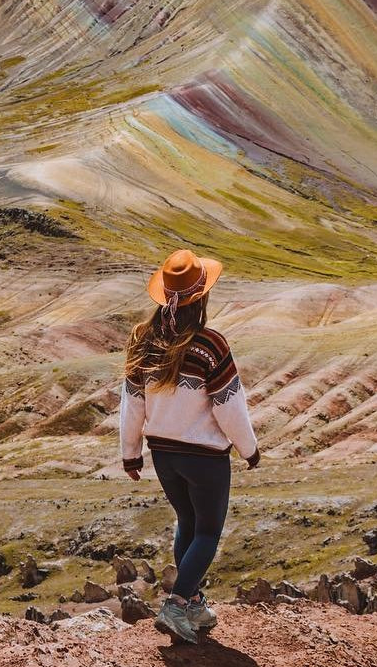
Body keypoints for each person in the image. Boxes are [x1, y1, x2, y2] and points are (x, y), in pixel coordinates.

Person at [120, 249, 261, 644]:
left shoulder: (144, 342)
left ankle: (194, 603)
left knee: (187, 521)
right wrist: (248, 448)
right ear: (201, 298)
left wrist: (131, 453)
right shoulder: (210, 345)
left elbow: (132, 405)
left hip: (164, 455)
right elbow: (230, 405)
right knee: (209, 530)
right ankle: (177, 604)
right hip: (205, 458)